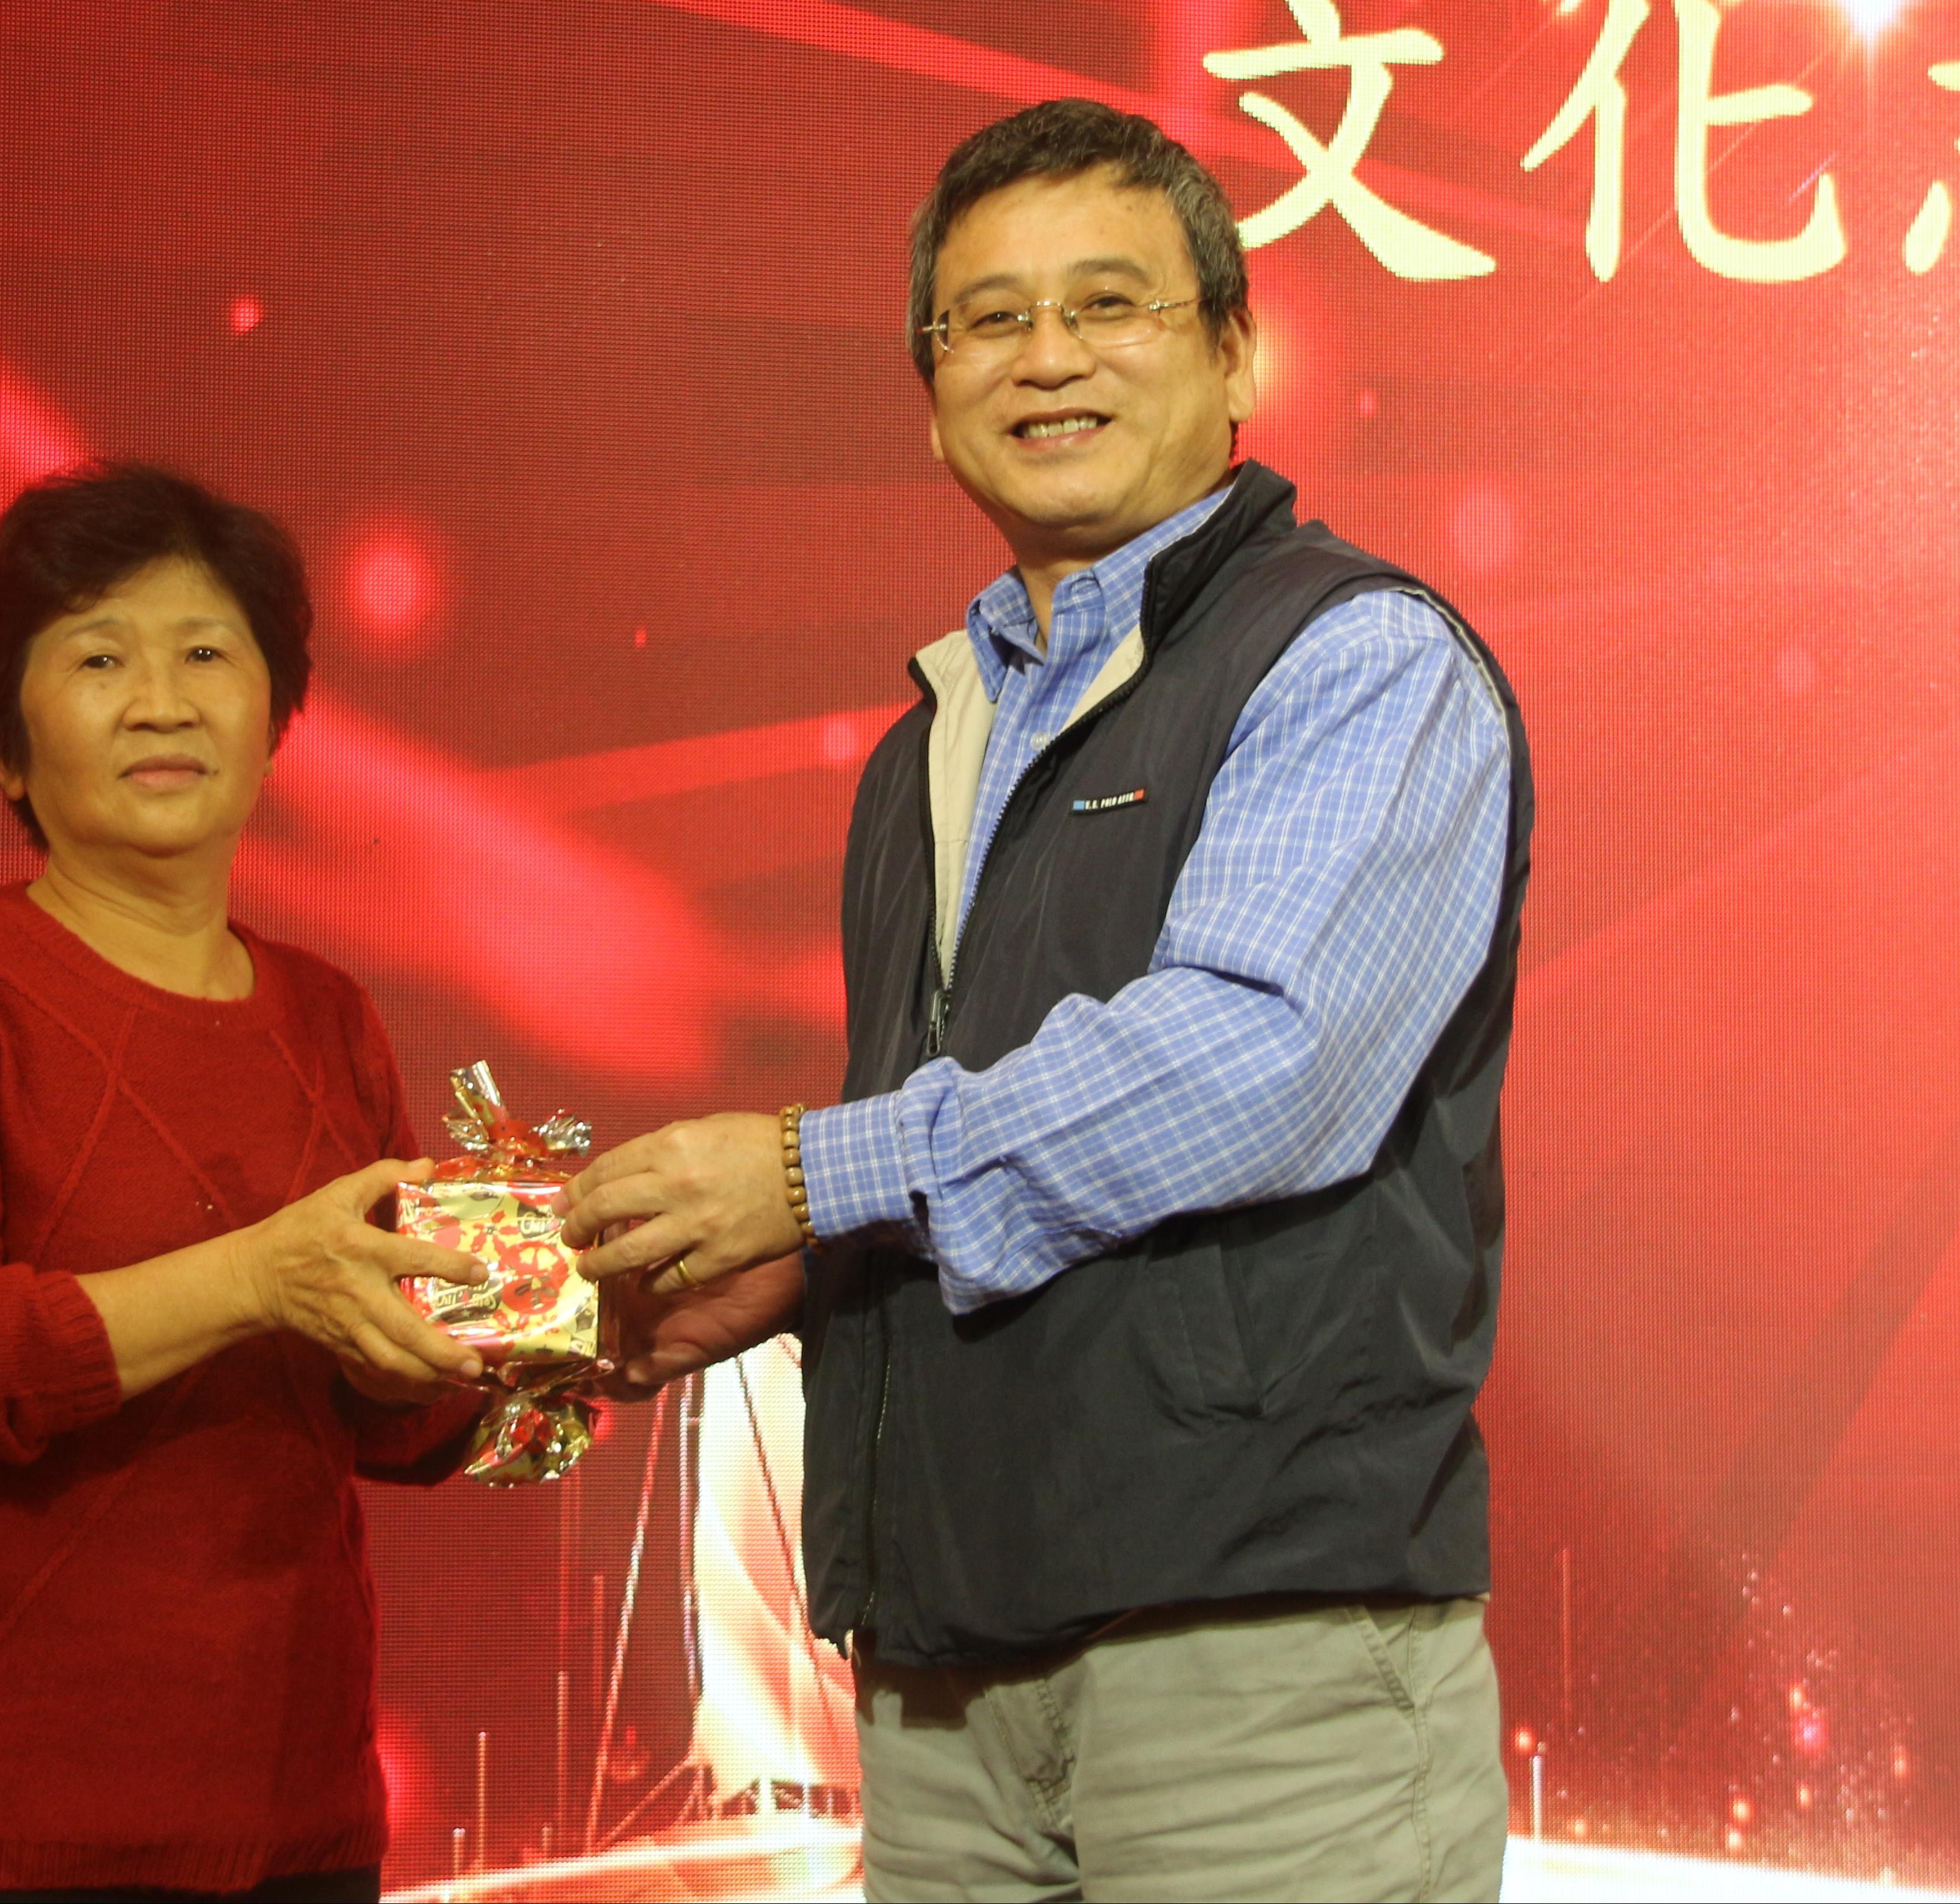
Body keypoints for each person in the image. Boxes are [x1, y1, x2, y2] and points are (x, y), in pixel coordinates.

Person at [563, 99, 1533, 1902]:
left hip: (1255, 1653)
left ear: (1235, 354)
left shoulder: (1352, 658)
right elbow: (991, 1143)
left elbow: (1260, 1061)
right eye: (989, 320)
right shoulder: (925, 747)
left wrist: (814, 1177)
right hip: (943, 1670)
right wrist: (814, 1275)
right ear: (931, 392)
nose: (1048, 358)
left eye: (1110, 305)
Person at [0, 461, 496, 1902]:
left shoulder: (330, 1014)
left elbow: (390, 1424)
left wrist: (508, 1334)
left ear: (274, 725)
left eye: (207, 654)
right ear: (4, 747)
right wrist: (259, 1281)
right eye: (100, 659)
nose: (162, 701)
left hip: (291, 1828)